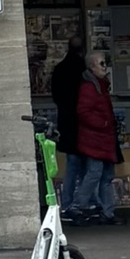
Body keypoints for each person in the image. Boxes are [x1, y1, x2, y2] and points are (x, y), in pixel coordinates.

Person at [66, 48, 121, 225]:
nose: (105, 67)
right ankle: (77, 206)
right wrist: (103, 124)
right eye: (102, 63)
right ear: (92, 67)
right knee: (95, 174)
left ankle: (107, 212)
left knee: (105, 176)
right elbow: (84, 111)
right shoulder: (90, 87)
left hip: (103, 138)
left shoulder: (100, 85)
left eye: (105, 63)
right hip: (95, 139)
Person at [49, 39, 87, 216]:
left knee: (72, 165)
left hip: (66, 121)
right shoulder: (84, 70)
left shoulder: (60, 69)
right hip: (83, 123)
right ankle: (84, 203)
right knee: (88, 167)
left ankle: (67, 203)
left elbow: (56, 96)